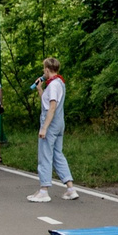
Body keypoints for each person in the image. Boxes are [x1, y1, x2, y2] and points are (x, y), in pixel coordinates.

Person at [28, 56, 76, 202]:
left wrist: (44, 128)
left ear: (47, 69)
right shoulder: (59, 83)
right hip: (59, 123)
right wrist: (40, 89)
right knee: (57, 154)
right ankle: (70, 188)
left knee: (45, 155)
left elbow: (52, 107)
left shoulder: (54, 84)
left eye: (44, 69)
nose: (43, 72)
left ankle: (44, 190)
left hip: (51, 124)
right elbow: (47, 103)